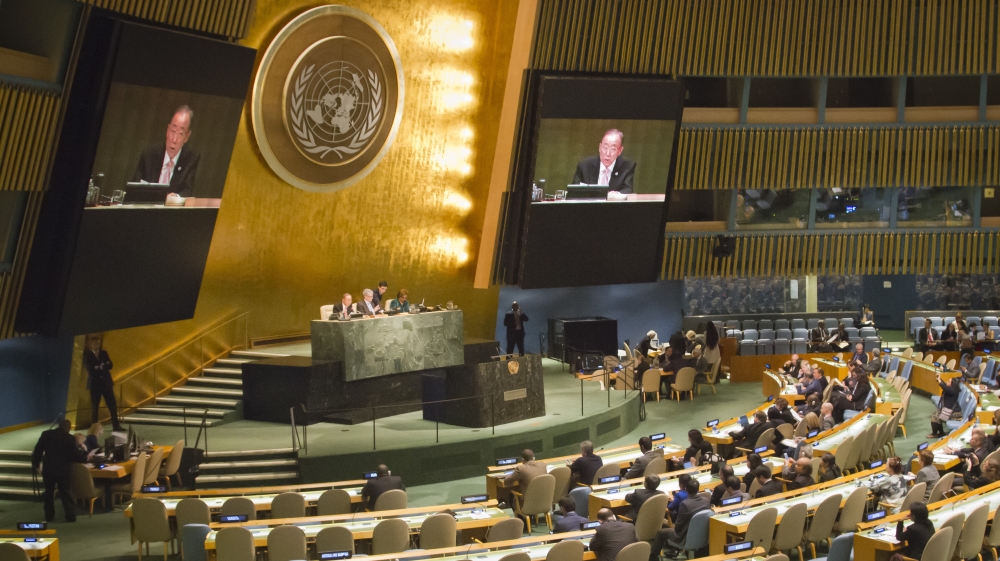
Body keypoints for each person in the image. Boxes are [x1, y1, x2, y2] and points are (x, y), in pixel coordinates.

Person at [132, 106, 199, 197]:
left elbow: (187, 191)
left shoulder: (190, 159)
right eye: (173, 131)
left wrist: (176, 197)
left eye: (180, 134)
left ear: (187, 136)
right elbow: (134, 187)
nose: (174, 139)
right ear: (167, 130)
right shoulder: (149, 154)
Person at [32, 420, 87, 522]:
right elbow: (75, 455)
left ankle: (49, 516)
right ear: (68, 428)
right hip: (63, 470)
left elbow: (38, 450)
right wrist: (85, 458)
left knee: (49, 492)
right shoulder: (69, 438)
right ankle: (70, 515)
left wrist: (36, 464)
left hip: (48, 469)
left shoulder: (46, 434)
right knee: (64, 492)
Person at [655, 478, 711, 560]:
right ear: (698, 489)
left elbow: (678, 527)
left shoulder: (685, 504)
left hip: (684, 536)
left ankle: (652, 558)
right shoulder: (706, 501)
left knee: (660, 533)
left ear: (686, 489)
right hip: (703, 535)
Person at [571, 129, 635, 195]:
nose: (607, 153)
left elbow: (628, 190)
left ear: (620, 151)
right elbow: (573, 192)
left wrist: (616, 194)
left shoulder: (627, 167)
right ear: (600, 147)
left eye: (613, 149)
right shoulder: (584, 165)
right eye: (605, 147)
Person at [84, 335, 123, 431]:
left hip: (106, 383)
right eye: (94, 344)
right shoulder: (88, 355)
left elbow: (110, 365)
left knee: (112, 404)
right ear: (91, 344)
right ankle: (94, 428)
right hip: (95, 384)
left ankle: (116, 425)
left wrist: (99, 367)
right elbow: (91, 369)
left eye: (98, 343)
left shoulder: (104, 353)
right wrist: (102, 366)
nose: (97, 345)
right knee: (95, 406)